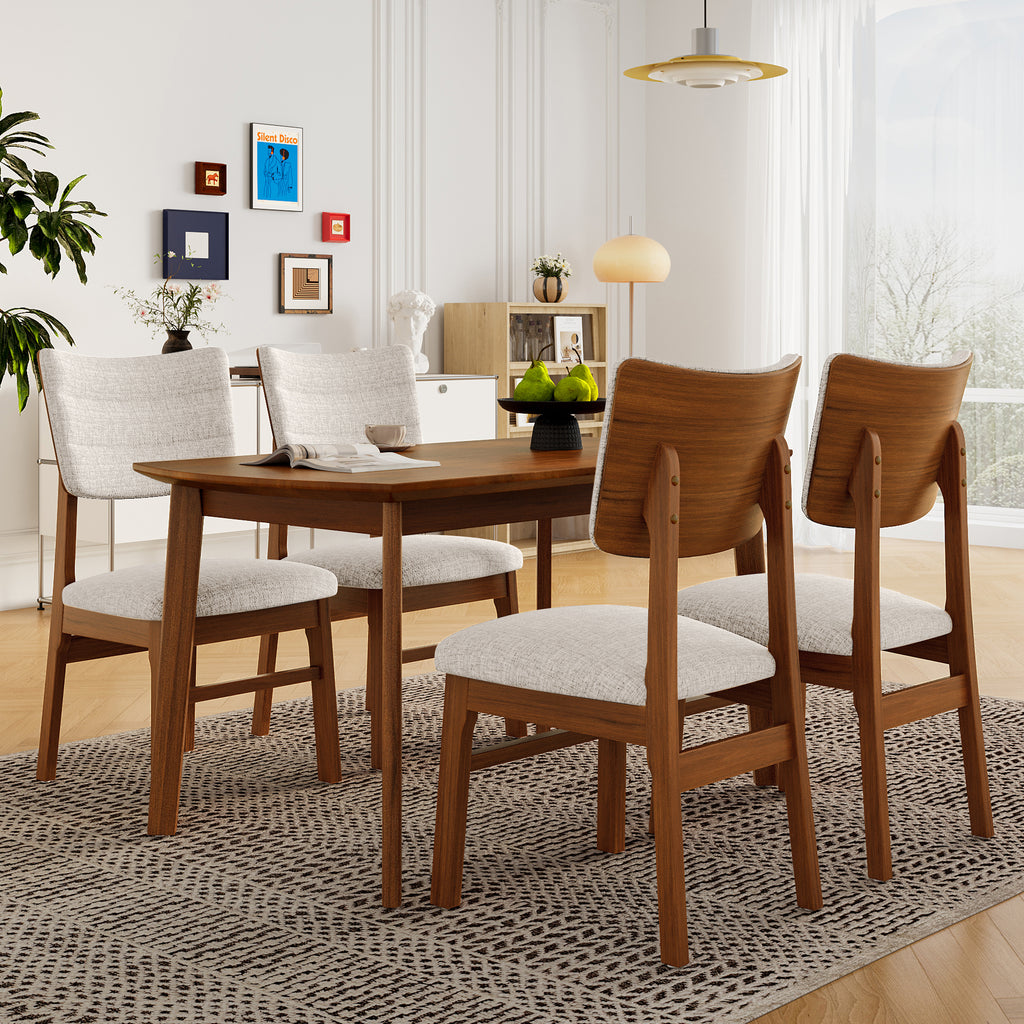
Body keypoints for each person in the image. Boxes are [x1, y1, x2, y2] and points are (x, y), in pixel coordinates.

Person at [387, 290, 436, 374]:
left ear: (427, 320)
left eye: (417, 318)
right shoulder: (389, 360)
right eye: (404, 318)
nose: (410, 325)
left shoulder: (423, 362)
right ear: (394, 319)